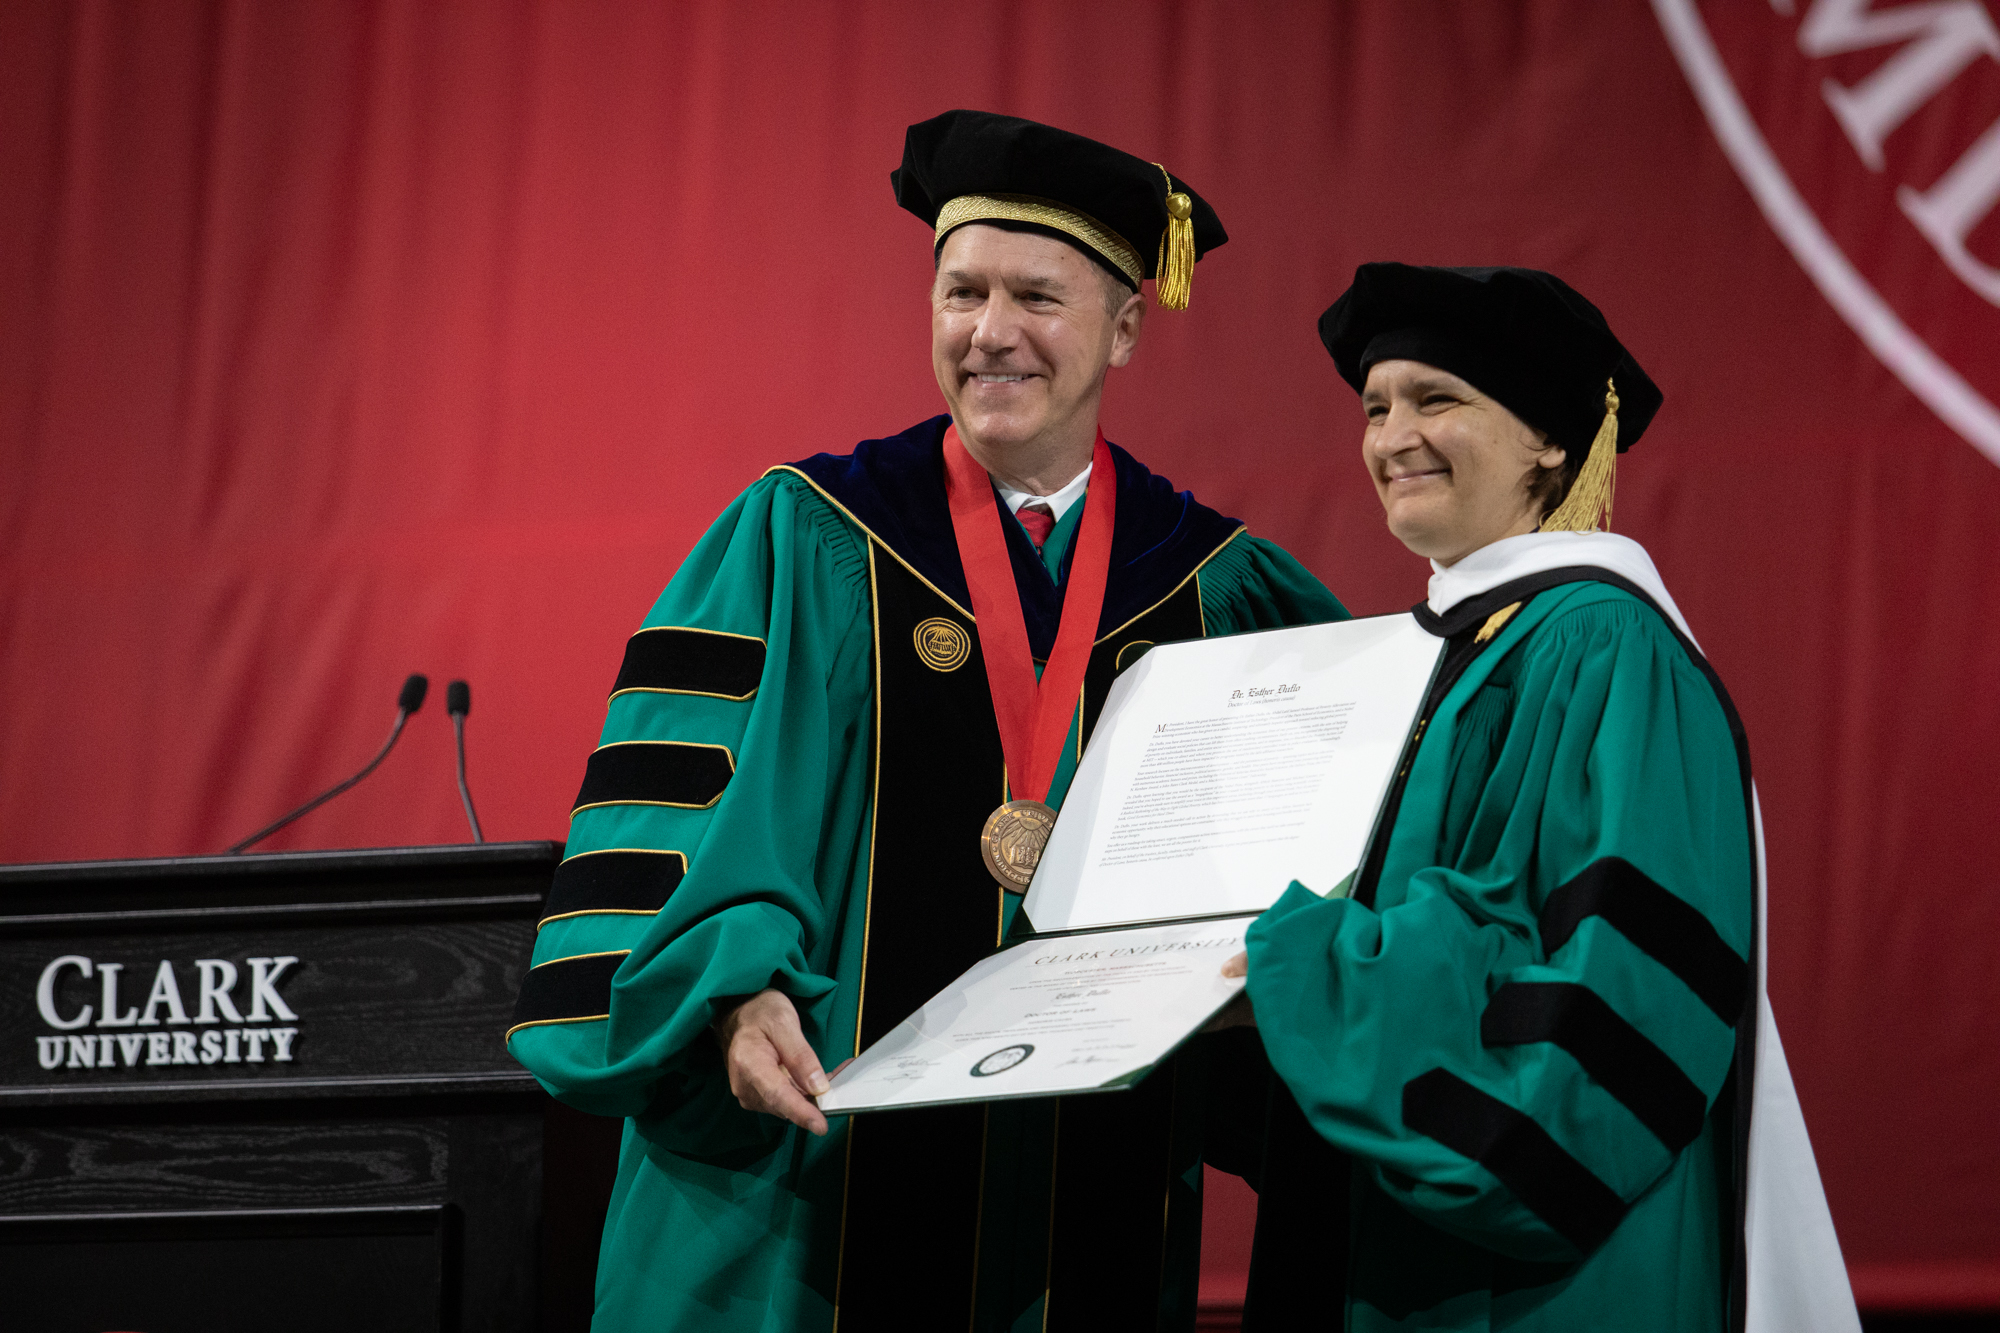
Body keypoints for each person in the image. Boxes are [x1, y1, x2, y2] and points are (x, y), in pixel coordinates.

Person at [505, 109, 1346, 1333]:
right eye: (962, 292)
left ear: (1124, 327)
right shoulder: (807, 535)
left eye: (1036, 296)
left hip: (1093, 1191)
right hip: (807, 1186)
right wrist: (729, 993)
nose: (989, 331)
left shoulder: (1216, 588)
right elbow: (687, 820)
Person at [1218, 264, 1858, 1332]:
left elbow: (1593, 986)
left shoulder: (1601, 645)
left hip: (1537, 1278)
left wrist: (1305, 963)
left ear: (1551, 441)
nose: (1392, 437)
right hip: (1390, 1231)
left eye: (1435, 398)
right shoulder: (1443, 652)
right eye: (1375, 407)